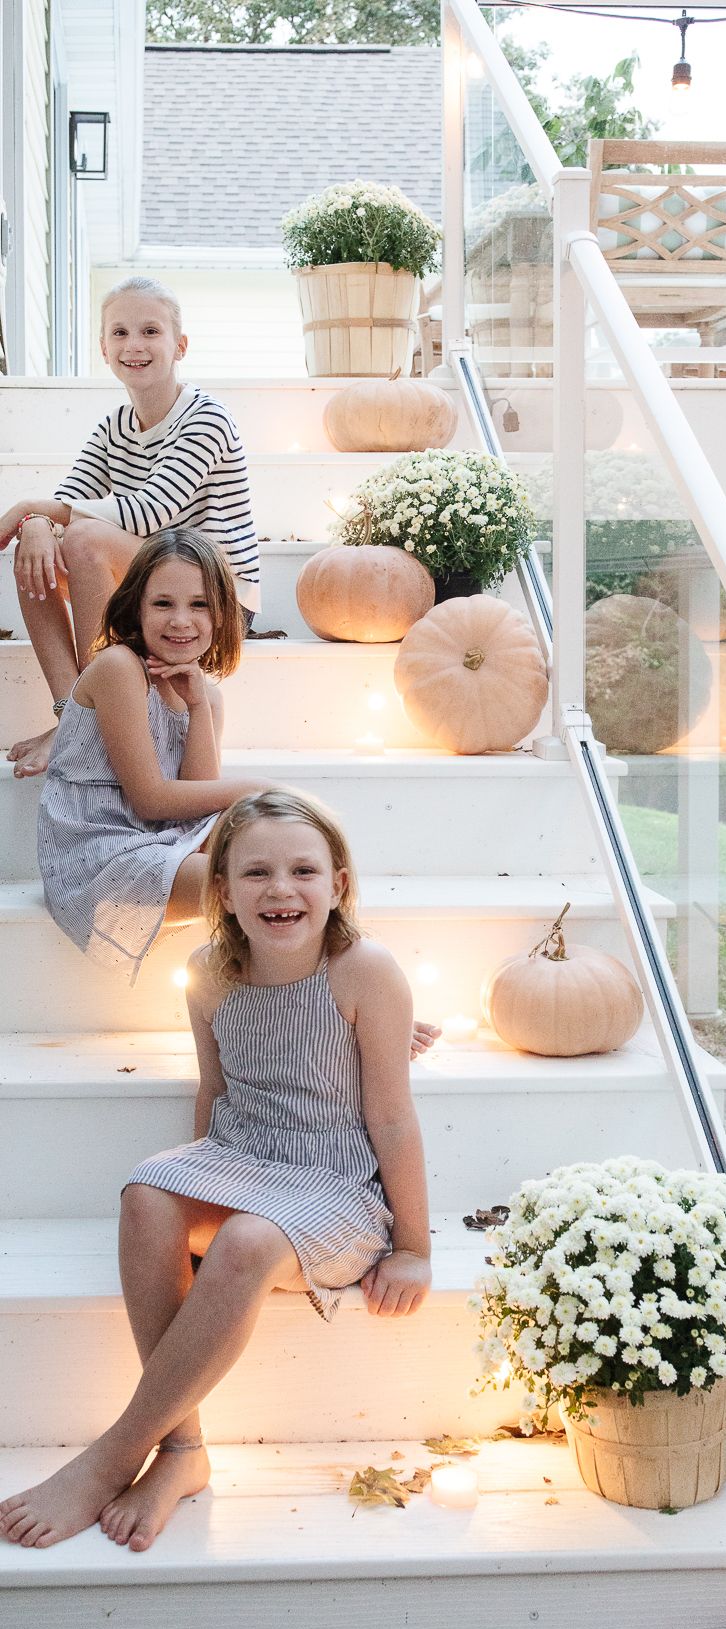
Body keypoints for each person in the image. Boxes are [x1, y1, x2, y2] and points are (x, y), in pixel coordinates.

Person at [0, 789, 432, 1553]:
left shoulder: (364, 971)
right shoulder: (206, 973)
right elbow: (215, 1093)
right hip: (242, 1158)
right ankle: (182, 1451)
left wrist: (415, 1247)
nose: (280, 888)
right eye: (255, 872)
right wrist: (194, 1196)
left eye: (303, 869)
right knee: (145, 1194)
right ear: (222, 892)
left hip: (333, 1187)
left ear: (337, 884)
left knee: (246, 1244)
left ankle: (115, 1454)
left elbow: (393, 1120)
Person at [1, 275, 260, 778]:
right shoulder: (113, 427)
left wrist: (33, 506)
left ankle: (91, 717)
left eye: (150, 331)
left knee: (85, 537)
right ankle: (76, 717)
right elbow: (70, 501)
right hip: (148, 591)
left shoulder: (207, 417)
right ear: (103, 348)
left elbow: (150, 511)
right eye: (119, 333)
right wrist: (34, 523)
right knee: (37, 551)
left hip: (211, 602)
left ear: (179, 345)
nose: (134, 345)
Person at [37, 527, 262, 981]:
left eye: (199, 605)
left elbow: (196, 804)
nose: (181, 620)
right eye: (163, 603)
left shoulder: (205, 696)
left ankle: (346, 990)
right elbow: (152, 800)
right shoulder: (119, 668)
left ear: (221, 615)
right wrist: (256, 790)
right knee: (261, 884)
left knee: (292, 862)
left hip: (161, 841)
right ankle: (322, 1004)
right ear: (136, 608)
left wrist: (198, 706)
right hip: (98, 857)